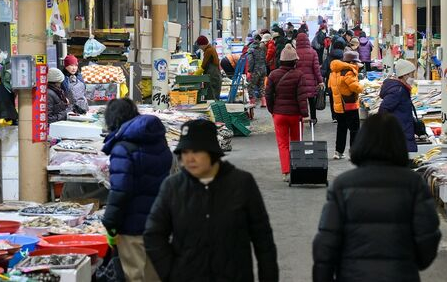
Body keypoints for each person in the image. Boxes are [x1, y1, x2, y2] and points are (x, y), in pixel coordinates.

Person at [144, 119, 279, 281]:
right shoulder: (172, 187)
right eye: (185, 152)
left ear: (212, 151)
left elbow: (263, 239)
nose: (189, 158)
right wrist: (171, 272)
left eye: (196, 151)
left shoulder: (242, 183)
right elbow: (153, 234)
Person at [312, 113, 441, 281]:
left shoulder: (342, 185)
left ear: (362, 141)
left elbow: (326, 244)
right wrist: (409, 262)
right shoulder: (414, 184)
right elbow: (428, 237)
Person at [101, 98, 172, 282]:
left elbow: (120, 191)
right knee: (154, 275)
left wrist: (110, 222)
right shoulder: (158, 141)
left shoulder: (122, 148)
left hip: (133, 226)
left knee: (136, 276)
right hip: (159, 222)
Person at [266, 44, 309, 182]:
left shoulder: (273, 75)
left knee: (283, 144)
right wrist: (305, 114)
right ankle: (297, 168)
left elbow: (268, 95)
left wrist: (272, 110)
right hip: (295, 115)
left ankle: (286, 172)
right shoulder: (299, 75)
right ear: (294, 61)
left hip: (279, 114)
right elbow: (302, 97)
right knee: (297, 142)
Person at [329, 50, 363, 160]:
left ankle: (338, 152)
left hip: (338, 106)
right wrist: (363, 86)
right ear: (351, 62)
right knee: (354, 130)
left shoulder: (334, 72)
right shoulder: (348, 72)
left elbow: (330, 86)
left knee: (341, 128)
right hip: (350, 106)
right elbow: (356, 87)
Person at [379, 59, 418, 152]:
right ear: (405, 75)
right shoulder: (398, 90)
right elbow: (383, 110)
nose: (413, 77)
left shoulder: (402, 89)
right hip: (401, 134)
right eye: (412, 74)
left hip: (403, 132)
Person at [294, 33, 324, 123]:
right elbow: (316, 69)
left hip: (298, 81)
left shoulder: (294, 52)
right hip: (310, 81)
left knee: (300, 100)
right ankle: (313, 119)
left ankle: (300, 118)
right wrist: (320, 81)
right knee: (311, 101)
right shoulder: (313, 52)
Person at [321, 37, 346, 123]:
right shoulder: (345, 57)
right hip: (342, 81)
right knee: (342, 98)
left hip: (331, 81)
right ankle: (342, 115)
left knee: (333, 98)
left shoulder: (329, 57)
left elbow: (323, 71)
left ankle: (334, 117)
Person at [195, 36, 221, 101]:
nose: (200, 48)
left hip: (212, 77)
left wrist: (195, 75)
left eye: (200, 46)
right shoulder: (211, 49)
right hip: (215, 76)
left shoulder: (208, 51)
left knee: (211, 98)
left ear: (203, 45)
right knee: (214, 98)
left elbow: (203, 66)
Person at [246, 35, 268, 108]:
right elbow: (265, 60)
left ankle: (252, 102)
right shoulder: (262, 49)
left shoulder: (251, 50)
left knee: (250, 86)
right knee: (261, 86)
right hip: (263, 69)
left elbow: (250, 61)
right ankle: (264, 102)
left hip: (255, 70)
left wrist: (249, 71)